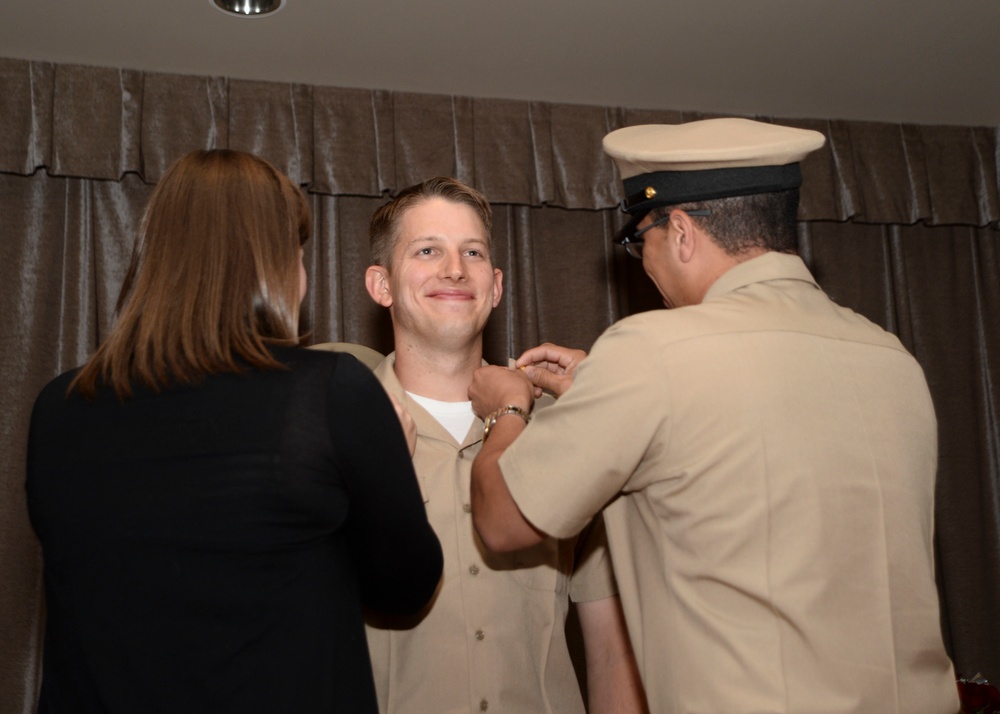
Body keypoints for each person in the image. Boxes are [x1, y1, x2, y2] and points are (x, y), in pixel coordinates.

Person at [467, 118, 960, 713]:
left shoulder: (650, 350)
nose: (643, 266)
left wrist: (507, 409)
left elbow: (504, 522)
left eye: (638, 242)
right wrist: (606, 393)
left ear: (679, 232)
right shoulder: (893, 359)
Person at [25, 149, 443, 713]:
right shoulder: (328, 392)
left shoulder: (59, 406)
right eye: (297, 256)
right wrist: (396, 458)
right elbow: (405, 587)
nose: (302, 277)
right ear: (273, 264)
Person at [361, 177, 647, 714]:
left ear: (495, 287)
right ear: (381, 285)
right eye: (428, 251)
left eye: (472, 252)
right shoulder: (335, 432)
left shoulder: (568, 433)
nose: (454, 269)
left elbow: (611, 651)